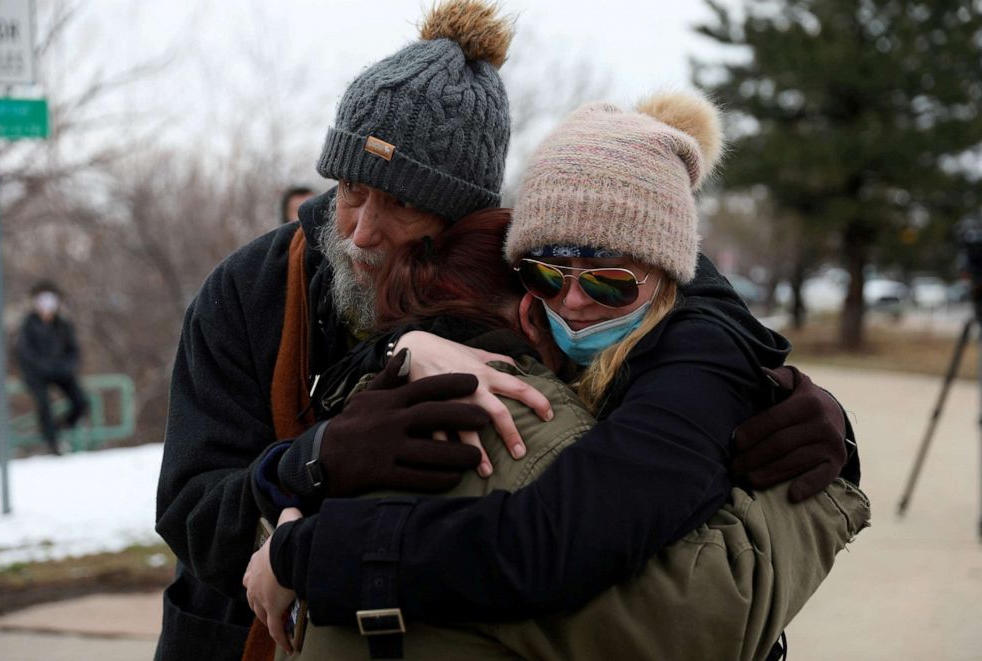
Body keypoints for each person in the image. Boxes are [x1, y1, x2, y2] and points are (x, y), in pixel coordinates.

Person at [155, 3, 853, 659]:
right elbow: (188, 510)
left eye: (399, 203)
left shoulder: (525, 277)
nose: (363, 229)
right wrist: (315, 460)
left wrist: (774, 385)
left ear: (464, 221)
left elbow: (653, 264)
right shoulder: (248, 292)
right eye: (351, 190)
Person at [246, 204, 867, 660]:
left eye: (606, 282)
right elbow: (708, 609)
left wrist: (294, 473)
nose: (573, 302)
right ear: (525, 304)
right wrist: (834, 473)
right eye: (549, 278)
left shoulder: (362, 406)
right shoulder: (523, 418)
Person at [15, 280, 88, 456]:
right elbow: (25, 353)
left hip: (61, 371)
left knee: (81, 401)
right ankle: (52, 441)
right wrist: (45, 368)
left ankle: (60, 428)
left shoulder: (63, 325)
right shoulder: (28, 325)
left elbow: (74, 351)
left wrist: (65, 367)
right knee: (44, 403)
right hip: (36, 375)